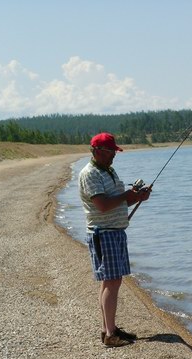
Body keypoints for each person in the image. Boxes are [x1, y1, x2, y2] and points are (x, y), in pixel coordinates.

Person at [79, 132, 151, 347]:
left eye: (115, 151)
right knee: (112, 281)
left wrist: (136, 197)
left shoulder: (108, 171)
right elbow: (102, 205)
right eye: (111, 151)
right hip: (104, 232)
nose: (114, 155)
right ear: (98, 151)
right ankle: (110, 335)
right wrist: (126, 196)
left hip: (115, 232)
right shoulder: (90, 173)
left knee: (109, 281)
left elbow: (117, 203)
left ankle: (107, 329)